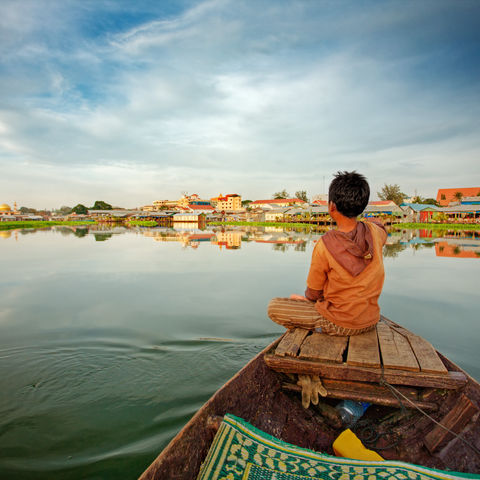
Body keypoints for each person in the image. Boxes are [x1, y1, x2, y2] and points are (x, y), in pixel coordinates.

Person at [268, 171, 388, 336]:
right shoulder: (375, 232)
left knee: (274, 306)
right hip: (370, 320)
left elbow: (313, 293)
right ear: (362, 206)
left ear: (331, 207)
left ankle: (319, 328)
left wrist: (307, 301)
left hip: (339, 323)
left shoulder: (324, 245)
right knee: (301, 300)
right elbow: (380, 225)